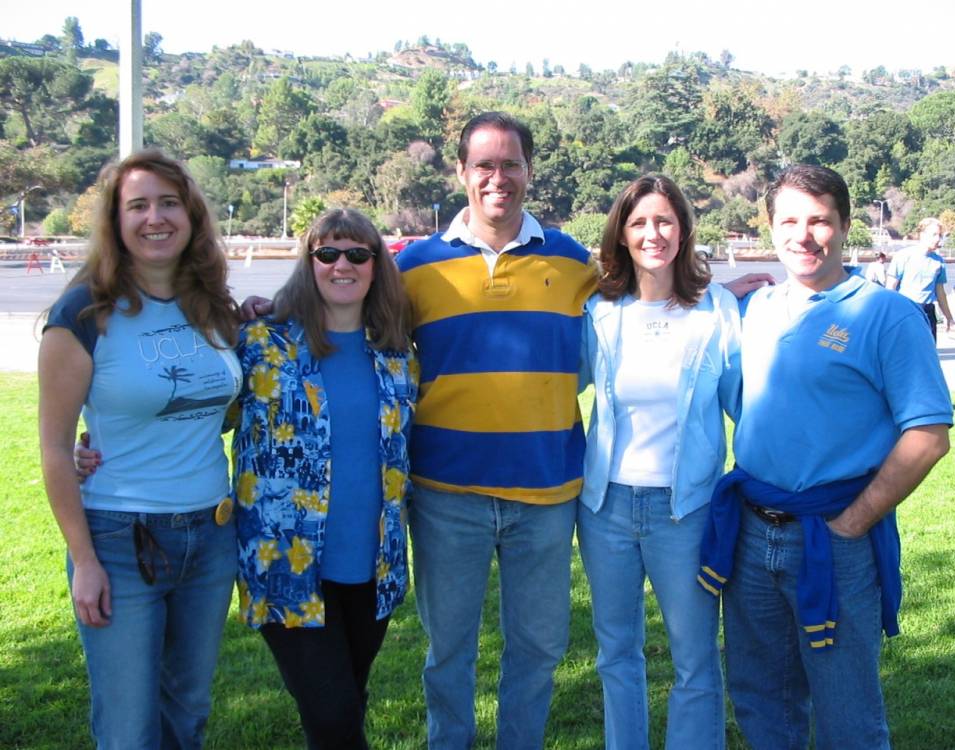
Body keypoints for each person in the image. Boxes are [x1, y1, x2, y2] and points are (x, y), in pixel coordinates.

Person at [699, 165, 953, 749]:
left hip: (833, 540)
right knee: (763, 702)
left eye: (819, 220)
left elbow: (929, 435)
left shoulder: (885, 315)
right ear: (769, 227)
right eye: (789, 220)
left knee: (848, 714)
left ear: (843, 226)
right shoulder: (756, 309)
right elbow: (750, 405)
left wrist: (852, 522)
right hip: (751, 532)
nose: (804, 235)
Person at [395, 111, 597, 749]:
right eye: (484, 164)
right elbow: (349, 329)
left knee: (538, 650)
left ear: (530, 172)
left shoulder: (573, 261)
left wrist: (724, 292)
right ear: (461, 172)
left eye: (511, 163)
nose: (497, 177)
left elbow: (652, 299)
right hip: (444, 492)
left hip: (546, 492)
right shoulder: (414, 268)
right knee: (447, 652)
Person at [38, 148, 243, 748]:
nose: (156, 218)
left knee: (187, 713)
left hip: (210, 533)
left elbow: (216, 413)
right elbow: (53, 447)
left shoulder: (211, 306)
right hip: (118, 540)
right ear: (116, 222)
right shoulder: (82, 314)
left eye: (169, 203)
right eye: (138, 205)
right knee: (129, 728)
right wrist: (86, 561)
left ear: (191, 215)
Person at [232, 208, 417, 749]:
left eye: (358, 254)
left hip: (371, 566)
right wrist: (94, 449)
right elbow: (196, 413)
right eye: (328, 253)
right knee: (335, 716)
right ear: (309, 263)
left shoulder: (397, 355)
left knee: (343, 710)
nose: (343, 265)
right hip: (286, 563)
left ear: (376, 265)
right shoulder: (261, 343)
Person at [577, 175, 741, 750]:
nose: (653, 233)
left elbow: (747, 405)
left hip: (686, 509)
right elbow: (553, 383)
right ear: (621, 232)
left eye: (665, 221)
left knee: (696, 659)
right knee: (616, 652)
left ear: (684, 230)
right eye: (640, 221)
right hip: (605, 508)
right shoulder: (597, 309)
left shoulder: (716, 309)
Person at [886, 217, 955, 340]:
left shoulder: (939, 262)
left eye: (940, 235)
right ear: (922, 234)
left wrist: (949, 317)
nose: (937, 239)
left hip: (928, 311)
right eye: (934, 235)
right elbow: (890, 289)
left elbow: (940, 293)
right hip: (906, 309)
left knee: (928, 353)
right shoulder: (903, 256)